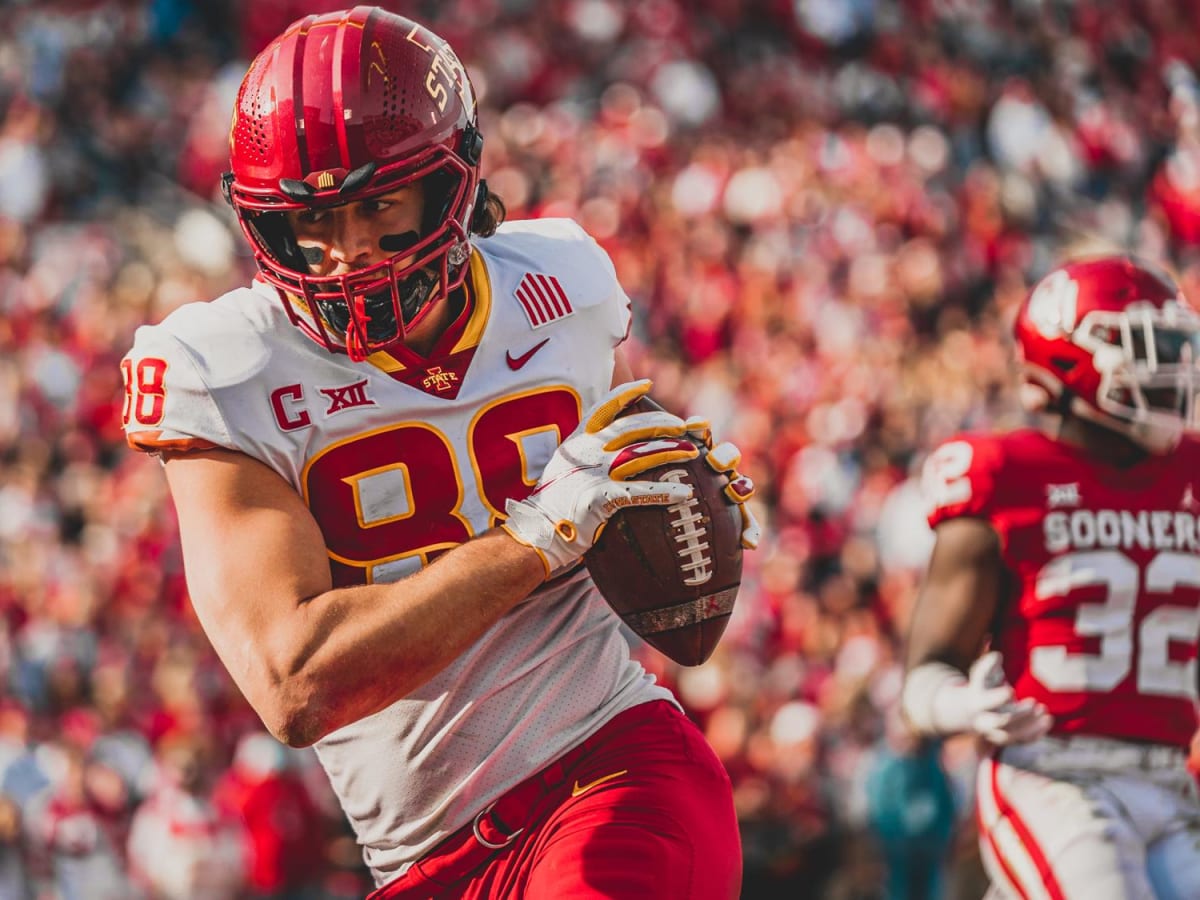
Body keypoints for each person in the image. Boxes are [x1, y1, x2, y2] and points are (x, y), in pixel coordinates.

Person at [119, 7, 759, 898]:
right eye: (315, 220)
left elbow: (615, 479)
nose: (345, 255)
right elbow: (297, 684)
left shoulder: (562, 286)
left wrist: (664, 486)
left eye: (378, 204)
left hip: (610, 765)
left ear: (450, 182)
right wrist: (536, 536)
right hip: (417, 863)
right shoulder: (222, 369)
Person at [901, 254, 1200, 899]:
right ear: (1069, 361)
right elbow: (923, 676)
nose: (1173, 370)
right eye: (1150, 349)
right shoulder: (1007, 474)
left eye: (1179, 347)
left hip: (1173, 780)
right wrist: (963, 705)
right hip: (1053, 777)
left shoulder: (1193, 474)